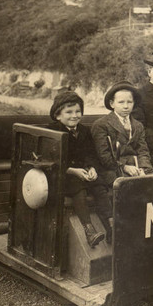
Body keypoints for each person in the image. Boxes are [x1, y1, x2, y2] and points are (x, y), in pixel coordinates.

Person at [49, 91, 113, 246]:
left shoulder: (84, 131)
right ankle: (89, 229)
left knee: (99, 185)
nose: (74, 115)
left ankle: (111, 225)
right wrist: (72, 170)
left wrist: (92, 168)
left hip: (83, 172)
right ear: (58, 115)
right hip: (64, 174)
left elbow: (91, 154)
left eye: (78, 111)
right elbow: (51, 160)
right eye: (69, 112)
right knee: (78, 188)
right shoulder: (52, 131)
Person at [92, 81, 153, 184]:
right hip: (112, 170)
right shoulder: (101, 124)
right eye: (121, 102)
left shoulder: (138, 125)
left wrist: (143, 169)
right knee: (128, 186)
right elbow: (104, 156)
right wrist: (124, 167)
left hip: (136, 168)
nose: (126, 106)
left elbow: (143, 150)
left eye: (129, 102)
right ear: (112, 104)